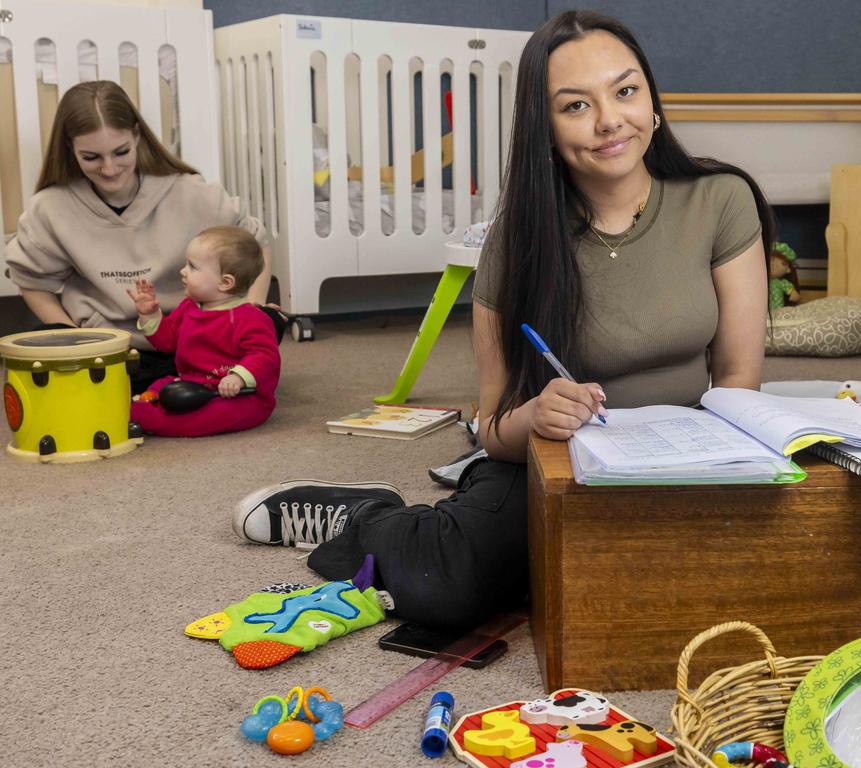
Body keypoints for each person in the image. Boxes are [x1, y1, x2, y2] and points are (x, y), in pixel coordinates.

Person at [232, 9, 775, 629]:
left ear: (652, 100)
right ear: (543, 126)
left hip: (687, 461)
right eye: (575, 106)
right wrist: (538, 417)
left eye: (625, 91)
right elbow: (492, 427)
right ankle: (369, 516)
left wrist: (710, 472)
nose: (608, 121)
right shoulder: (515, 243)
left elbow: (737, 377)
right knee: (446, 592)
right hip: (553, 463)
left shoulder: (721, 199)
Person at [4, 80, 286, 394]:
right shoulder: (51, 207)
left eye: (121, 152)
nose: (110, 169)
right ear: (70, 148)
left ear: (137, 135)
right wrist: (76, 342)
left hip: (192, 340)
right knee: (44, 344)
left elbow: (255, 243)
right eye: (92, 157)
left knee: (267, 323)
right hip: (109, 350)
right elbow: (31, 281)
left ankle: (185, 385)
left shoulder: (189, 192)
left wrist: (250, 308)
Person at [128, 225, 281, 437]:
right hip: (191, 383)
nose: (183, 271)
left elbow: (265, 356)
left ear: (225, 282)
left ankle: (155, 420)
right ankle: (139, 409)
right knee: (156, 389)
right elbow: (168, 341)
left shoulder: (251, 318)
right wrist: (150, 315)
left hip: (236, 395)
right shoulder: (189, 306)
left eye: (192, 267)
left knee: (214, 414)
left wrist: (238, 377)